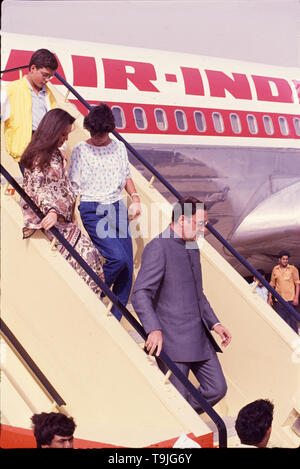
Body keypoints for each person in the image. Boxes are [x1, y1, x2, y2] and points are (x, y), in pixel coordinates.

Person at [131, 196, 231, 413]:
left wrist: (215, 323)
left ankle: (186, 414)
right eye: (200, 224)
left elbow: (198, 293)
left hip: (199, 338)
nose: (203, 230)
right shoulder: (158, 247)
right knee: (177, 401)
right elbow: (140, 293)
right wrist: (153, 329)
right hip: (173, 341)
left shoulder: (193, 246)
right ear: (183, 219)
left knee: (218, 388)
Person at [20, 108, 104, 297]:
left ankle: (91, 305)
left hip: (63, 220)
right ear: (53, 131)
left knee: (94, 258)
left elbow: (64, 186)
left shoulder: (56, 154)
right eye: (63, 134)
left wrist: (69, 210)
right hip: (49, 221)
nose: (66, 139)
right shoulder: (37, 157)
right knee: (87, 262)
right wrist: (52, 211)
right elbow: (38, 189)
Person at [69, 103, 141, 321]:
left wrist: (135, 198)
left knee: (127, 269)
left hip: (116, 207)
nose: (96, 139)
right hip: (92, 208)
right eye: (93, 134)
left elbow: (126, 175)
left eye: (100, 135)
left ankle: (115, 320)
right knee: (117, 259)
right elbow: (73, 185)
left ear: (109, 130)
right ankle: (92, 291)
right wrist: (72, 215)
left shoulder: (118, 147)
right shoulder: (81, 149)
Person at [1, 48, 58, 175]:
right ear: (33, 68)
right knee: (35, 189)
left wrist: (62, 149)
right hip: (26, 149)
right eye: (45, 74)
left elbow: (55, 124)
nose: (48, 79)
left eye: (50, 76)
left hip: (47, 147)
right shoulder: (11, 90)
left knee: (48, 188)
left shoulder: (49, 95)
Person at [268, 250, 300, 333]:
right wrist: (270, 298)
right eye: (283, 259)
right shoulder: (275, 269)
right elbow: (272, 284)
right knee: (282, 321)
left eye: (286, 259)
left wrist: (296, 298)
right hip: (280, 300)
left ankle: (295, 339)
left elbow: (297, 284)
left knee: (293, 321)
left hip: (291, 300)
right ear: (279, 260)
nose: (285, 261)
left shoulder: (293, 269)